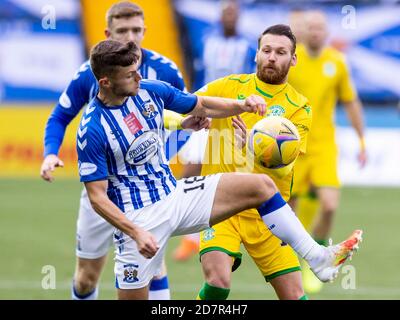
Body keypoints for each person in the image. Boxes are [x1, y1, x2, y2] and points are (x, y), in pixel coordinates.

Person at [78, 38, 362, 300]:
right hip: (139, 220)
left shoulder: (149, 91)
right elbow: (98, 198)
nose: (139, 77)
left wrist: (242, 105)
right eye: (130, 75)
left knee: (261, 187)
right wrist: (137, 233)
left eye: (138, 71)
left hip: (176, 196)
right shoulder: (92, 129)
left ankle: (317, 257)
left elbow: (201, 104)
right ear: (105, 82)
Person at [39, 1, 199, 300]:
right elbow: (60, 116)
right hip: (102, 192)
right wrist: (50, 152)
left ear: (145, 31)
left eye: (136, 30)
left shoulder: (165, 70)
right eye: (122, 30)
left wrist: (160, 156)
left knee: (155, 266)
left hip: (148, 191)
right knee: (86, 279)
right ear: (107, 32)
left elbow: (191, 122)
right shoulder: (89, 74)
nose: (130, 37)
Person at [193, 24, 317, 301]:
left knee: (296, 295)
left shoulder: (299, 107)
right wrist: (194, 117)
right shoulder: (228, 87)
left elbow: (288, 164)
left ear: (293, 59)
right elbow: (189, 103)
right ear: (257, 54)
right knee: (217, 282)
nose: (272, 57)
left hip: (268, 214)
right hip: (220, 206)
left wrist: (252, 144)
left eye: (281, 52)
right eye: (267, 50)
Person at [288, 10, 367, 294]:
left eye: (321, 28)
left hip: (324, 146)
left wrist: (361, 140)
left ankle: (318, 255)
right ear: (304, 32)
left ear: (327, 32)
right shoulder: (291, 61)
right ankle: (298, 259)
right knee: (289, 211)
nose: (316, 32)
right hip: (293, 145)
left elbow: (351, 101)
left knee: (330, 204)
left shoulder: (337, 62)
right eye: (311, 28)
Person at [173, 0, 256, 262]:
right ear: (219, 17)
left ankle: (222, 235)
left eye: (233, 13)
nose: (229, 17)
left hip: (230, 117)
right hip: (205, 111)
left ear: (239, 17)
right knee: (191, 168)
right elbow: (198, 74)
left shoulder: (248, 47)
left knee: (222, 175)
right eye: (225, 13)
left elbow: (250, 83)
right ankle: (188, 236)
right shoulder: (206, 42)